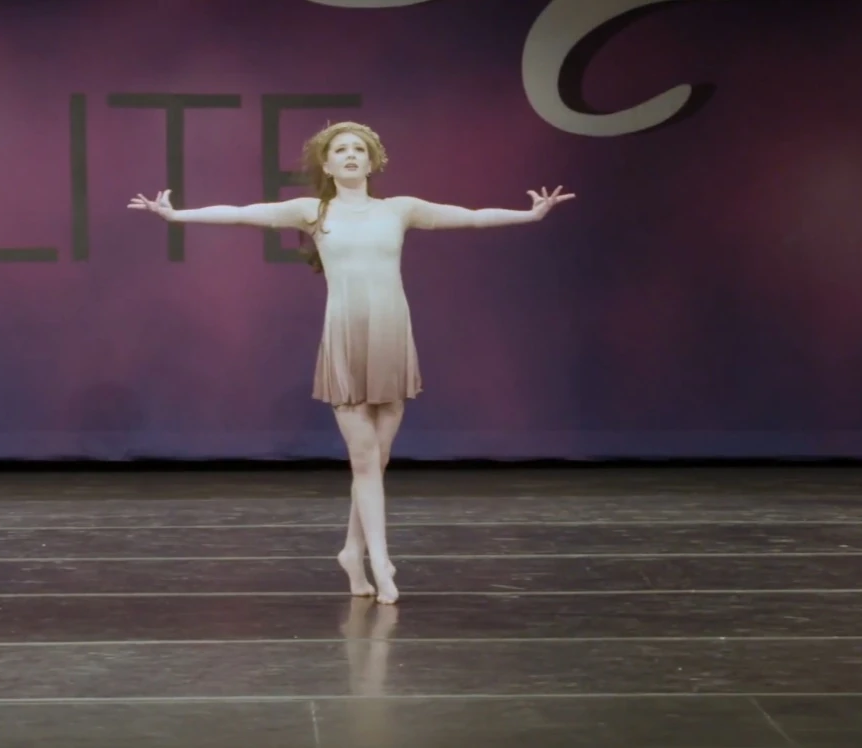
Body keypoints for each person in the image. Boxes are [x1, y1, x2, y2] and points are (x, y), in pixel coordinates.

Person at [128, 121, 575, 604]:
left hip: (392, 336)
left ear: (372, 160)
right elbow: (242, 214)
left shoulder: (399, 209)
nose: (350, 155)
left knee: (377, 461)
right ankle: (381, 563)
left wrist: (530, 215)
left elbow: (468, 217)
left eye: (358, 149)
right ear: (327, 164)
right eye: (340, 149)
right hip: (345, 337)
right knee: (364, 461)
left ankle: (351, 551)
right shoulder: (313, 211)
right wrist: (176, 215)